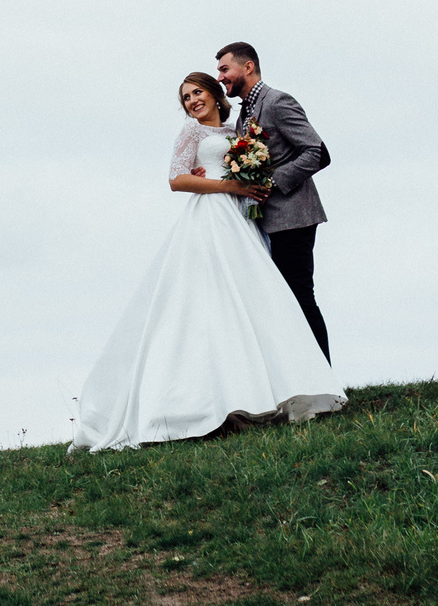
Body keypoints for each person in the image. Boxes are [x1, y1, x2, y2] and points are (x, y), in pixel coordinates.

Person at [70, 72, 347, 451]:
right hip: (212, 216)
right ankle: (200, 404)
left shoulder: (242, 130)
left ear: (217, 95)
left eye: (198, 92)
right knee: (210, 301)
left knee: (254, 302)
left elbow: (259, 166)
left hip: (243, 219)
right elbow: (176, 179)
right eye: (185, 98)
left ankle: (268, 392)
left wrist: (248, 180)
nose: (192, 101)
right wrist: (227, 185)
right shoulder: (191, 133)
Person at [214, 42, 331, 361]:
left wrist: (272, 181)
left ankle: (326, 390)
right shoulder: (243, 116)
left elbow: (318, 153)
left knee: (300, 299)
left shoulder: (277, 101)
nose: (221, 77)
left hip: (294, 219)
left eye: (225, 69)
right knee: (281, 306)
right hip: (265, 224)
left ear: (247, 67)